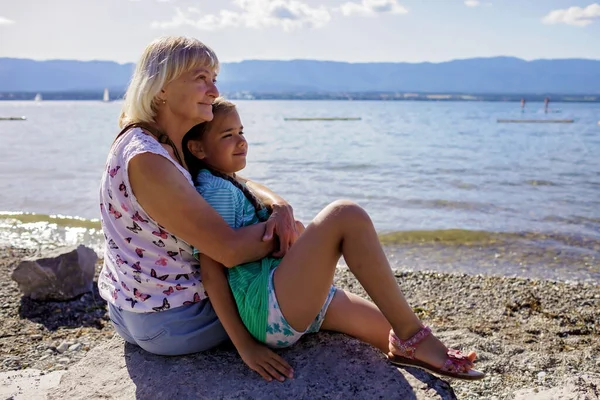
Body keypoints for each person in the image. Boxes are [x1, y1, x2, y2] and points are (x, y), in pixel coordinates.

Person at [182, 98, 486, 382]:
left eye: (241, 131)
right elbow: (212, 272)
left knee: (392, 336)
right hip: (268, 305)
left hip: (292, 299)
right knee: (345, 214)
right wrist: (245, 346)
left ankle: (413, 341)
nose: (241, 141)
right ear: (198, 149)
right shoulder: (214, 190)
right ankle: (414, 334)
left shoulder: (228, 181)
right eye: (227, 135)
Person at [98, 36, 300, 362]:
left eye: (214, 79)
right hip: (174, 320)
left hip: (137, 309)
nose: (215, 92)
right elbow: (229, 251)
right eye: (201, 79)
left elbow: (233, 179)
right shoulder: (149, 159)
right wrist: (294, 233)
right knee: (302, 297)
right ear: (161, 88)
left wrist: (279, 206)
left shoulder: (157, 142)